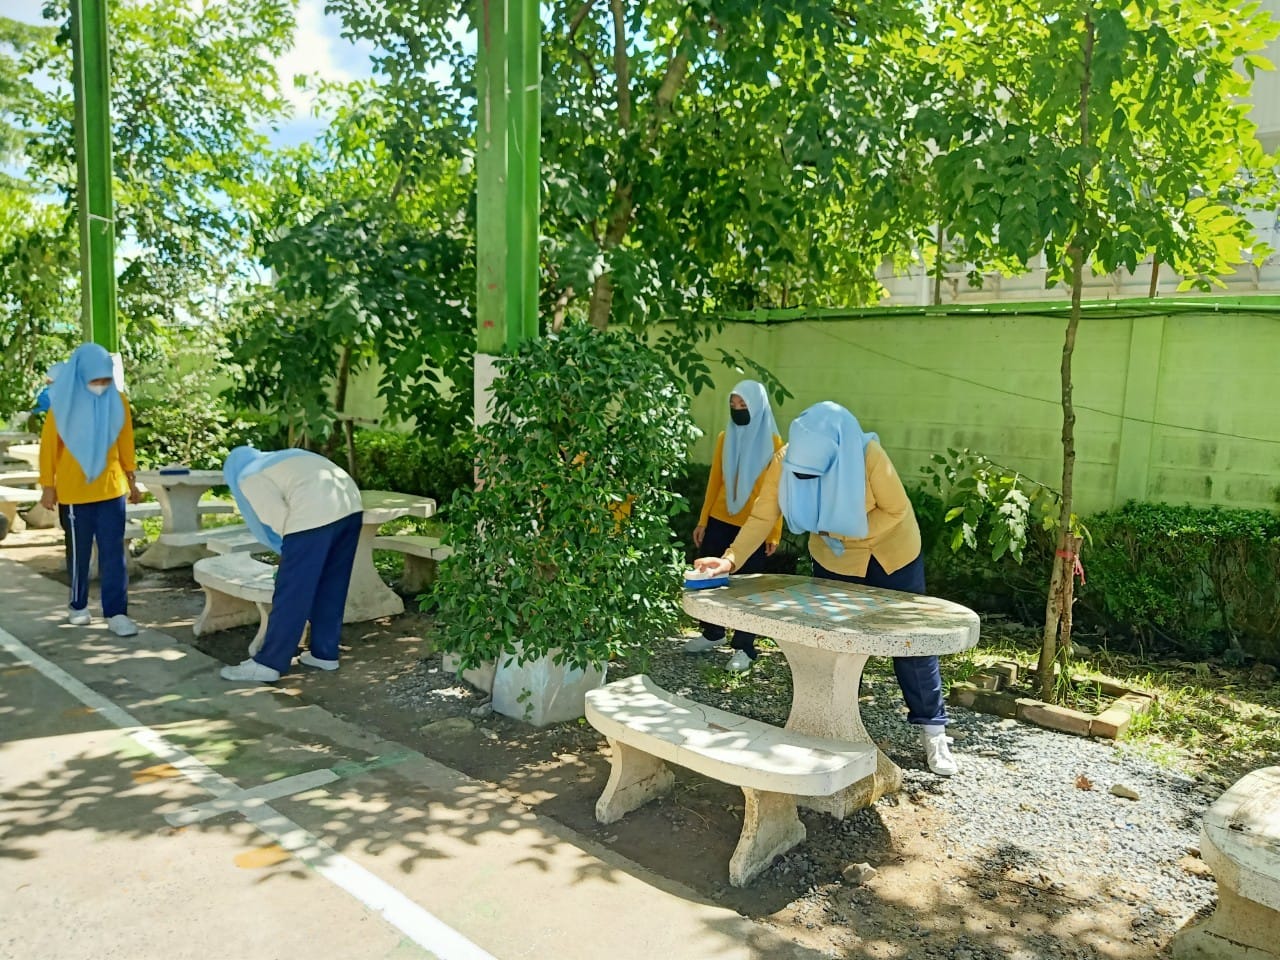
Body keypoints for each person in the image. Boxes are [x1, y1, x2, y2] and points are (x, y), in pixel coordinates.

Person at [694, 401, 959, 776]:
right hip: (836, 561)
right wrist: (730, 558)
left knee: (911, 643)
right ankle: (834, 730)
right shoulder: (783, 458)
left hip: (890, 554)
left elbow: (895, 510)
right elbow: (764, 513)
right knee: (834, 642)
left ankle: (933, 730)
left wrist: (840, 530)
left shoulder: (867, 454)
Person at [217, 446, 364, 683]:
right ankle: (324, 653)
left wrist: (293, 558)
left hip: (314, 512)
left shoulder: (248, 475)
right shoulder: (279, 458)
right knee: (331, 585)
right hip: (350, 505)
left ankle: (268, 663)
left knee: (292, 591)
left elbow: (278, 519)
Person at [38, 344, 143, 636]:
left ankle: (117, 613)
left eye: (105, 380)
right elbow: (49, 448)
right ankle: (78, 605)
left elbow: (125, 442)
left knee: (113, 553)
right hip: (74, 494)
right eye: (95, 380)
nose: (101, 386)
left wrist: (132, 480)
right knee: (79, 554)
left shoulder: (118, 401)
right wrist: (48, 486)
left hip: (111, 490)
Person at [684, 380, 784, 672]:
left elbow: (777, 494)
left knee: (747, 589)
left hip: (753, 527)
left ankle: (745, 647)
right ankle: (712, 633)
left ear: (758, 407)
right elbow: (715, 482)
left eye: (744, 405)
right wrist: (704, 520)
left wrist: (774, 532)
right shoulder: (724, 438)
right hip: (719, 519)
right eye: (733, 404)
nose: (738, 410)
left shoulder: (775, 445)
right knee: (709, 581)